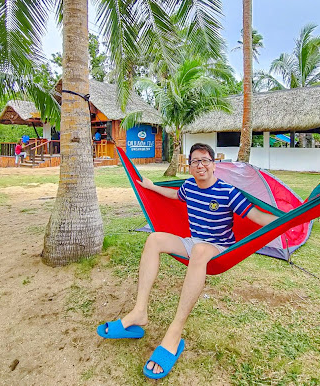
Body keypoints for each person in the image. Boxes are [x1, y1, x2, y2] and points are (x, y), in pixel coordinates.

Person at [96, 143, 278, 379]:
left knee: (201, 250)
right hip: (194, 242)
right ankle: (139, 311)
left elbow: (256, 215)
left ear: (214, 165)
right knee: (154, 239)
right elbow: (175, 194)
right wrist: (152, 187)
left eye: (205, 160)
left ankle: (175, 331)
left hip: (219, 249)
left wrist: (289, 221)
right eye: (195, 161)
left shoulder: (228, 192)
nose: (200, 165)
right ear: (190, 167)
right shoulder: (189, 186)